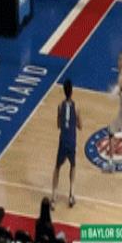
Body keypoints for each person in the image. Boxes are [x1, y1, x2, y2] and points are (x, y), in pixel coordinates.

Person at [51, 79, 82, 209]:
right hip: (72, 141)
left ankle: (53, 197)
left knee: (57, 167)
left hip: (63, 140)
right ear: (72, 91)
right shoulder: (77, 107)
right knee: (73, 166)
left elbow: (58, 125)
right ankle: (71, 195)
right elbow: (80, 126)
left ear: (64, 91)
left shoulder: (59, 106)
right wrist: (75, 122)